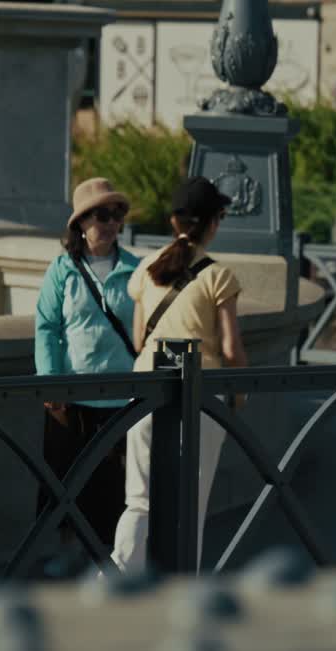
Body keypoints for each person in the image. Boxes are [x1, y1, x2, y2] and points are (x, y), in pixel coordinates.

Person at [111, 177, 248, 573]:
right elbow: (230, 349)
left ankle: (120, 575)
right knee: (192, 500)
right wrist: (240, 394)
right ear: (213, 223)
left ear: (173, 222)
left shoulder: (147, 269)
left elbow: (139, 339)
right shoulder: (218, 276)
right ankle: (182, 585)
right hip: (200, 396)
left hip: (146, 391)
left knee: (139, 499)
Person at [34, 178, 140, 565]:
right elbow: (46, 326)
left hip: (122, 395)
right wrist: (50, 382)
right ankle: (64, 552)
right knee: (64, 480)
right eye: (101, 215)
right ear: (80, 223)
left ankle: (109, 558)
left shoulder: (136, 270)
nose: (110, 223)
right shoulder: (62, 270)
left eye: (116, 214)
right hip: (72, 396)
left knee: (115, 486)